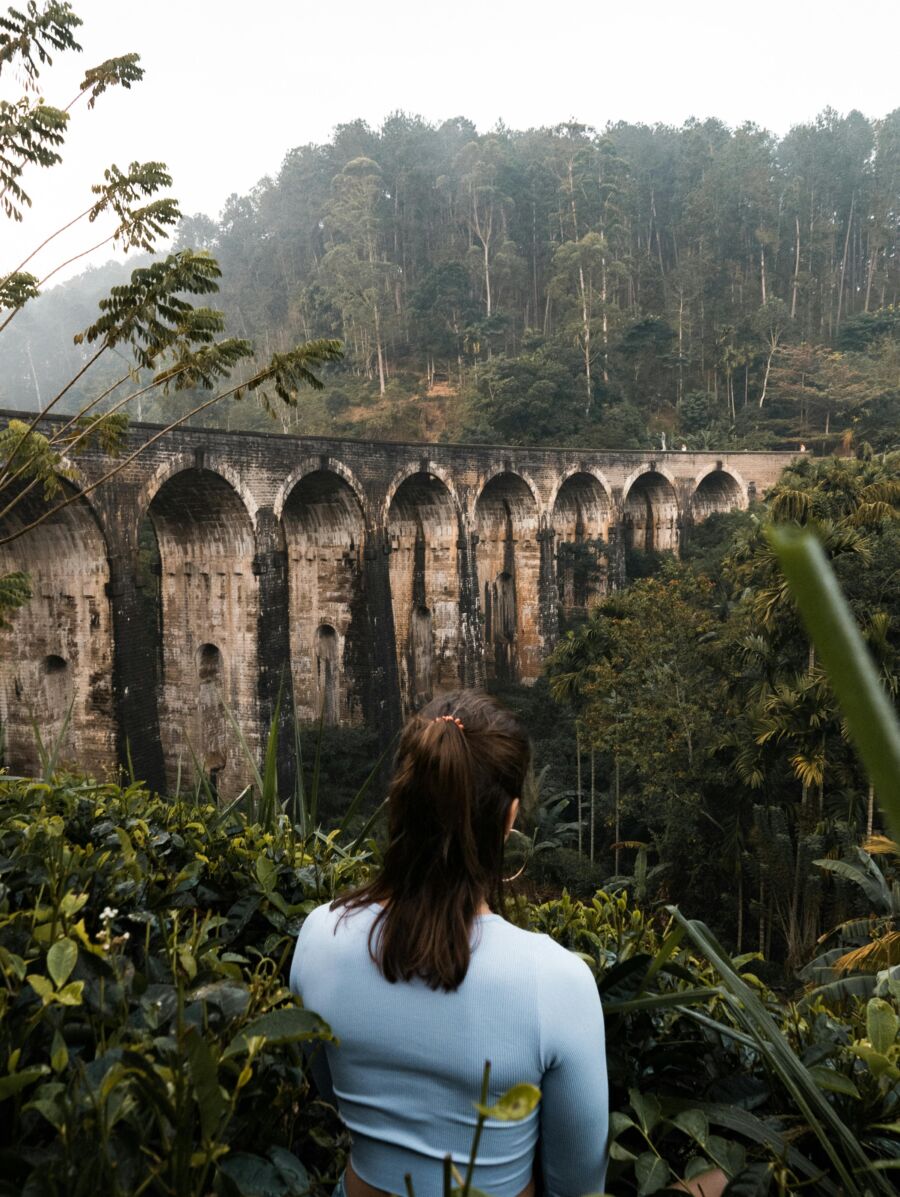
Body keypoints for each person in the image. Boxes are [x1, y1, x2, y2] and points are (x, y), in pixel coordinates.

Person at [289, 690, 608, 1197]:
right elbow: (578, 1185)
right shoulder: (558, 982)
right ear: (510, 818)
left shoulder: (318, 939)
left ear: (401, 800)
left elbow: (331, 1093)